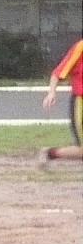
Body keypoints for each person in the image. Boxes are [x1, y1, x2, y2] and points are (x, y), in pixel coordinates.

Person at [38, 37, 83, 169]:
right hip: (80, 102)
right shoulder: (80, 48)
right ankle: (50, 153)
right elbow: (57, 73)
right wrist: (51, 93)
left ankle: (50, 154)